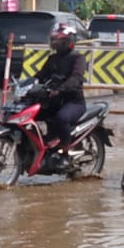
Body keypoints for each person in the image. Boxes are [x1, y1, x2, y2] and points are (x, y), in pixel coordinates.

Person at [37, 23, 87, 165]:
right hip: (53, 100)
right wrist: (21, 84)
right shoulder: (53, 59)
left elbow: (76, 78)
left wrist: (60, 89)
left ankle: (65, 152)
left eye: (58, 40)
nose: (55, 44)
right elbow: (40, 75)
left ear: (68, 41)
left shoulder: (78, 58)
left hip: (74, 102)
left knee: (61, 118)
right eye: (53, 40)